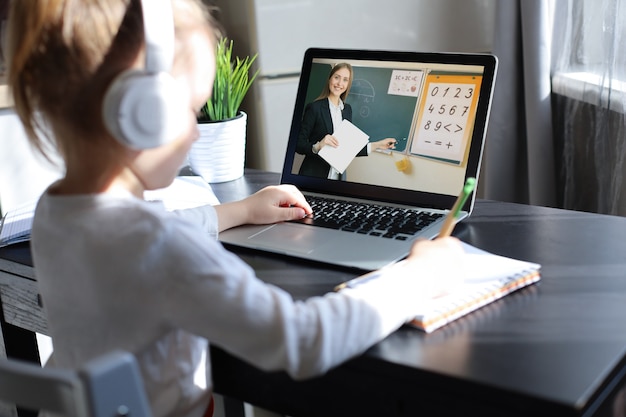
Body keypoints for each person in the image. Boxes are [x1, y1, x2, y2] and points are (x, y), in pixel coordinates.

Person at [6, 1, 463, 416]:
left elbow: (142, 238)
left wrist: (236, 212)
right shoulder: (161, 248)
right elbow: (302, 341)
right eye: (190, 110)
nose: (196, 133)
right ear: (139, 111)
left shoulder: (53, 213)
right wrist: (417, 278)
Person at [295, 62, 397, 179]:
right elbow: (299, 144)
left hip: (337, 177)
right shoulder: (314, 108)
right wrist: (319, 145)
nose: (339, 83)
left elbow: (348, 148)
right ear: (330, 79)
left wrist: (378, 145)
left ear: (348, 84)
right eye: (336, 77)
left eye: (345, 80)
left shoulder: (347, 110)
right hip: (314, 175)